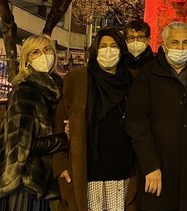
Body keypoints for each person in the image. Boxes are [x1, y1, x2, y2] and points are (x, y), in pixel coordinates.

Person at [125, 21, 187, 211]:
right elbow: (137, 123)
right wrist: (150, 165)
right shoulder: (148, 77)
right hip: (159, 173)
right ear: (164, 46)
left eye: (185, 43)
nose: (180, 48)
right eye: (175, 43)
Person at [53, 27, 134, 211]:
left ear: (121, 50)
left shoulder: (132, 80)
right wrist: (60, 165)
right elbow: (60, 123)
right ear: (95, 49)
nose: (108, 50)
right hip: (87, 173)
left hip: (123, 174)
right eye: (103, 45)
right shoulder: (78, 79)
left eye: (113, 46)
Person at [0, 34, 68, 211]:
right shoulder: (26, 91)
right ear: (27, 59)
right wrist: (64, 139)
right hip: (23, 182)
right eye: (35, 52)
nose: (43, 56)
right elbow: (22, 145)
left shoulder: (54, 88)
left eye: (47, 50)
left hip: (41, 181)